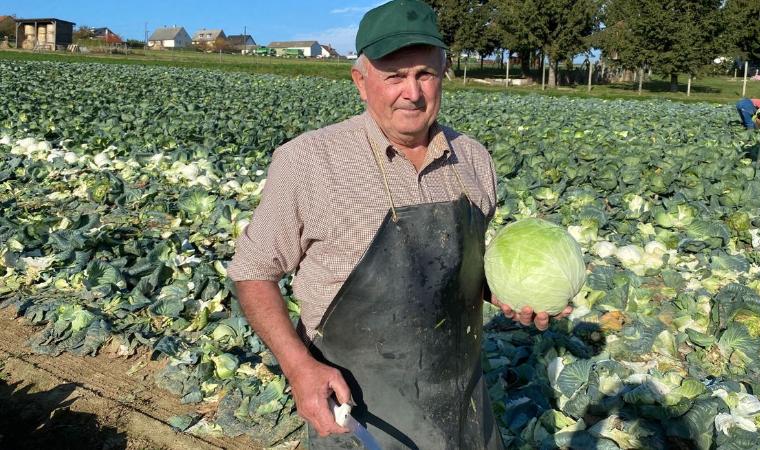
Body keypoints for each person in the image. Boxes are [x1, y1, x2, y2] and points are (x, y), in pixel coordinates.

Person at [227, 0, 572, 448]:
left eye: (424, 74)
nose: (412, 92)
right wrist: (299, 368)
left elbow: (461, 267)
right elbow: (253, 272)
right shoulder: (309, 162)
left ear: (443, 73)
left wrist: (510, 290)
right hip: (361, 416)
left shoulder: (473, 158)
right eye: (394, 76)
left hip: (465, 408)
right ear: (360, 81)